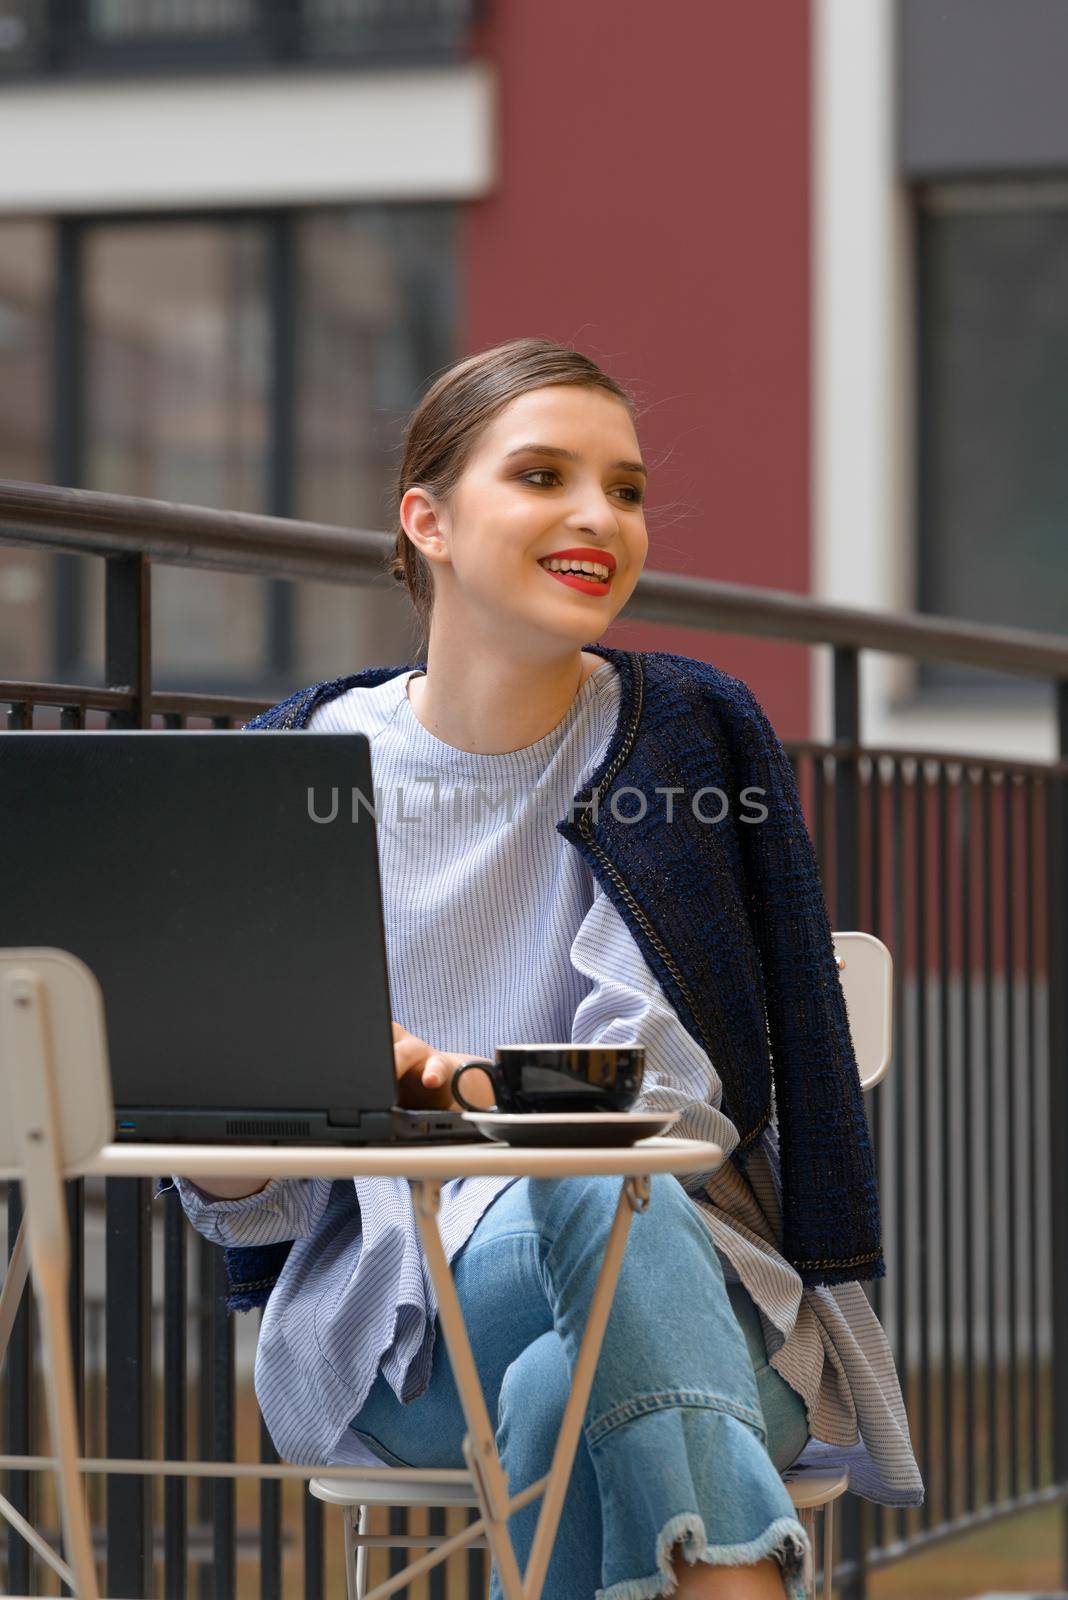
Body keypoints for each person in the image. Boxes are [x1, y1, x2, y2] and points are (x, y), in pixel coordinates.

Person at [168, 338, 923, 1599]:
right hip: (395, 1328)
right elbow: (239, 1189)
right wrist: (282, 1086)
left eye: (624, 488)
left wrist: (445, 1082)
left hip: (710, 1286)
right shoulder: (298, 762)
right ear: (429, 521)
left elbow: (654, 1107)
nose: (598, 517)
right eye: (543, 475)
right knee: (588, 1210)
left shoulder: (679, 734)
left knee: (569, 1315)